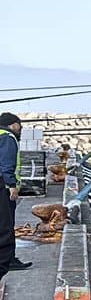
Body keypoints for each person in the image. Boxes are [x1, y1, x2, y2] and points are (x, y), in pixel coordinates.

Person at [0, 112, 27, 279]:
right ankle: (7, 261)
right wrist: (11, 185)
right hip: (2, 186)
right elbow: (6, 163)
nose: (21, 128)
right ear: (13, 124)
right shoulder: (8, 137)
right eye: (19, 125)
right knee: (5, 225)